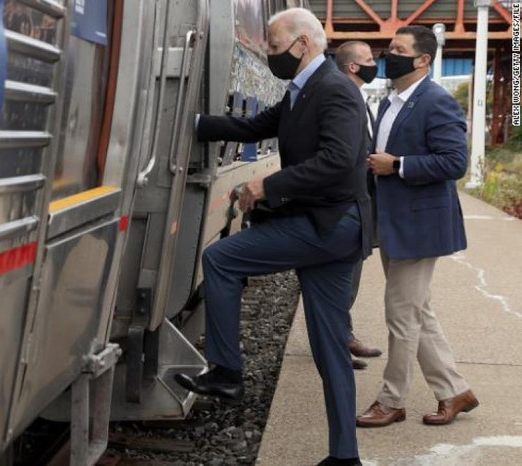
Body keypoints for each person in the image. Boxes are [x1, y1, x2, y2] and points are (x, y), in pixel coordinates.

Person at [172, 8, 372, 466]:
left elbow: (339, 160)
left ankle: (226, 371)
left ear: (303, 44)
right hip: (332, 227)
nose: (270, 55)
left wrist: (267, 184)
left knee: (222, 259)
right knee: (329, 346)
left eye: (276, 47)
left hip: (331, 225)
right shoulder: (303, 90)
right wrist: (195, 124)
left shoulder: (335, 90)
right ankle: (345, 456)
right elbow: (253, 126)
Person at [356, 25, 478, 428]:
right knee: (417, 313)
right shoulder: (390, 102)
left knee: (401, 316)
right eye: (390, 47)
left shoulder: (436, 102)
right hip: (393, 223)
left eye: (398, 49)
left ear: (423, 59)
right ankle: (454, 391)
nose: (390, 54)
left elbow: (454, 162)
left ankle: (392, 401)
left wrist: (399, 165)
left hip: (420, 228)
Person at [335, 41, 384, 371]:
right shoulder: (341, 96)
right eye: (368, 60)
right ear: (353, 66)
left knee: (351, 276)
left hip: (362, 203)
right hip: (343, 205)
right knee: (339, 278)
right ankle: (335, 344)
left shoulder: (360, 97)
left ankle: (344, 335)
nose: (374, 64)